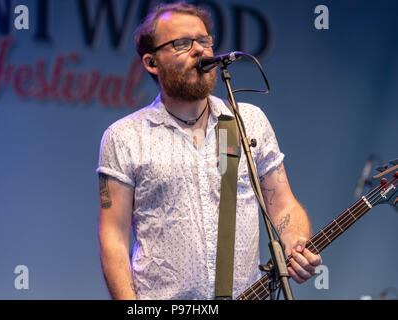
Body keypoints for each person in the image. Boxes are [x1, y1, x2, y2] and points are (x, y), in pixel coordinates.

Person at [97, 2, 322, 300]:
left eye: (204, 41)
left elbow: (282, 205)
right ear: (152, 62)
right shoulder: (124, 137)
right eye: (181, 43)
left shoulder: (246, 122)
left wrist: (295, 244)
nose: (199, 50)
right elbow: (113, 237)